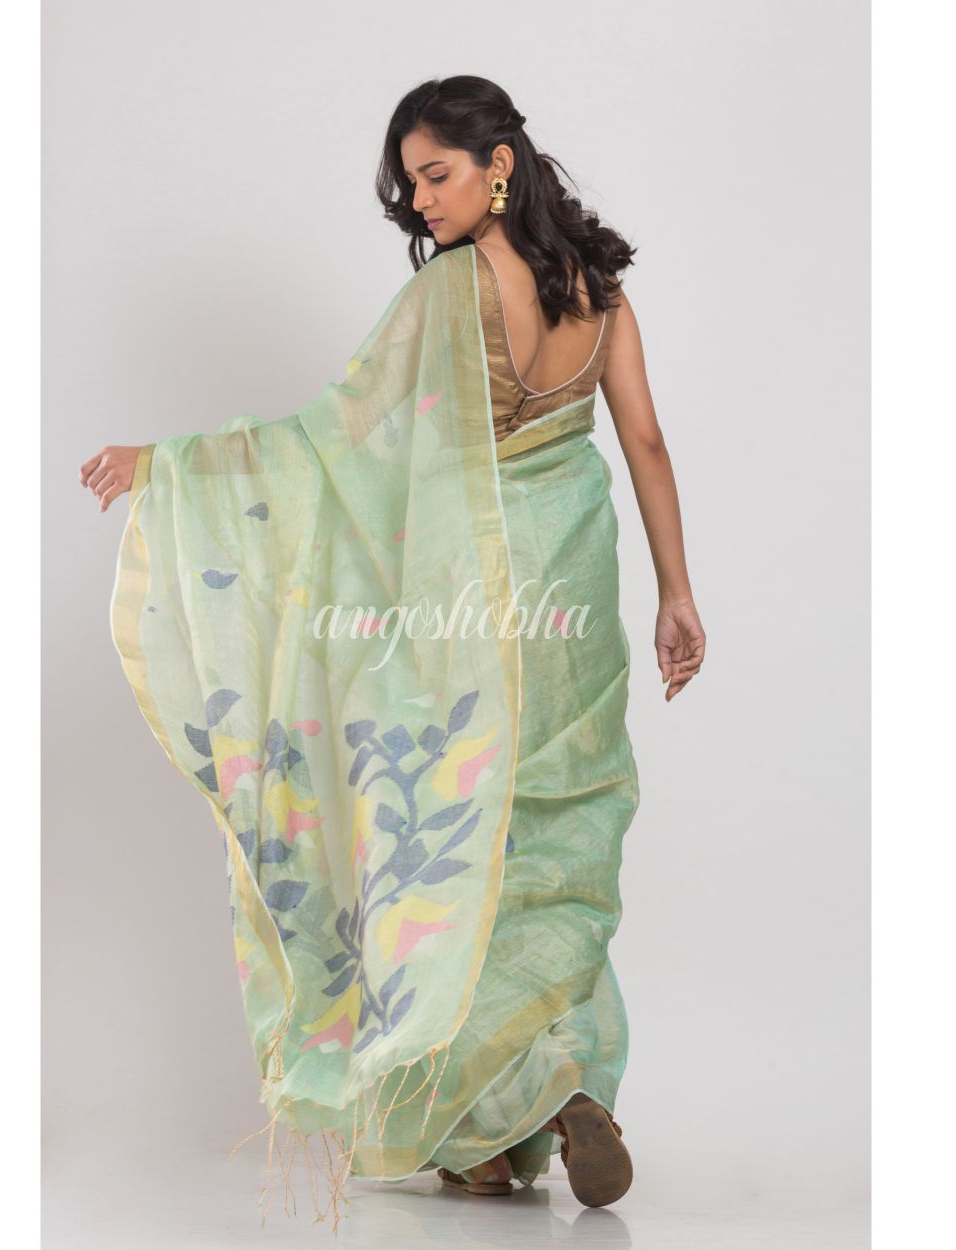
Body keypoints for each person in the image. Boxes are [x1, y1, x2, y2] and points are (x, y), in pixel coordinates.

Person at [80, 75, 705, 1232]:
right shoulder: (602, 288)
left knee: (457, 837)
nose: (419, 202)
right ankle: (548, 1096)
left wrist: (171, 465)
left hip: (470, 596)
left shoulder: (456, 291)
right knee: (556, 836)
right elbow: (648, 442)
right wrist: (677, 593)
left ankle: (499, 1114)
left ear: (499, 164)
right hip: (573, 588)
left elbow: (334, 438)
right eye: (409, 183)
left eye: (436, 175)